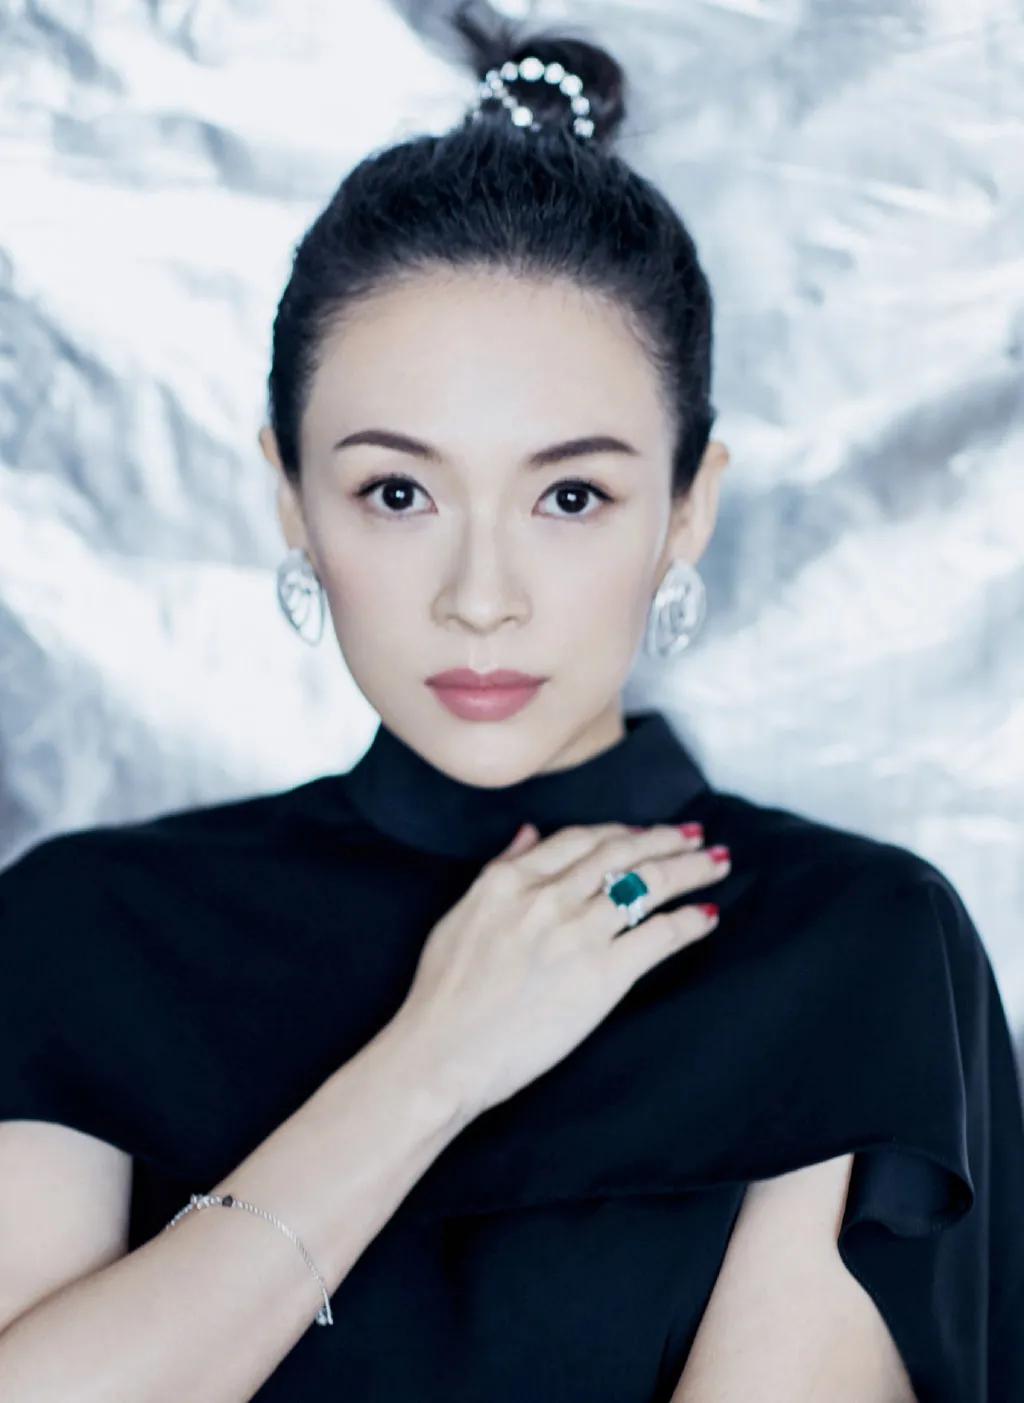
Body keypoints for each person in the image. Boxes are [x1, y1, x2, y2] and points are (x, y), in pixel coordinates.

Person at [0, 8, 1021, 1401]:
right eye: (398, 492)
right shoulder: (86, 928)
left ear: (688, 508)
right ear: (290, 497)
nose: (482, 597)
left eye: (572, 496)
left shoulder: (846, 948)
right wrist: (429, 1067)